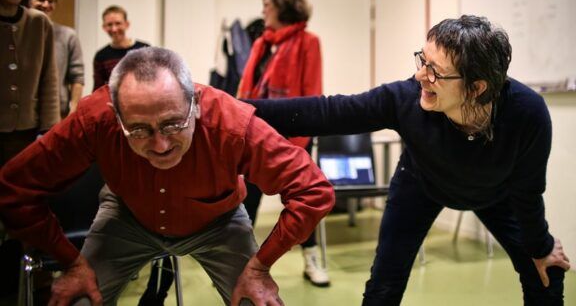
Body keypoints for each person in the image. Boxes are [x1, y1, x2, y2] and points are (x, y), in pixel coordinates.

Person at [245, 15, 572, 305]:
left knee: (546, 272)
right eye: (422, 60)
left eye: (435, 72)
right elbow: (326, 112)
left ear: (476, 88)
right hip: (420, 184)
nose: (419, 76)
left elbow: (528, 192)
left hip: (494, 194)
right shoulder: (406, 99)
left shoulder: (527, 114)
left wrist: (541, 246)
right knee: (384, 287)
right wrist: (230, 109)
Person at [0, 46, 334, 306]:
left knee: (257, 300)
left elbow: (313, 189)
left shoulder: (231, 124)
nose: (160, 145)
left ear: (196, 104)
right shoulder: (93, 120)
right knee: (78, 301)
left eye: (173, 124)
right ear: (115, 115)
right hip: (127, 216)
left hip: (219, 222)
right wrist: (69, 260)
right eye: (139, 130)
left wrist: (261, 265)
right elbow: (14, 186)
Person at [237, 0, 328, 287]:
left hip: (293, 138)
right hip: (255, 135)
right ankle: (241, 264)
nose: (263, 10)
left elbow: (312, 93)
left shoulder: (308, 42)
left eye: (267, 5)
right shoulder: (262, 43)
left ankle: (311, 259)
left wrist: (298, 142)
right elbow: (246, 89)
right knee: (246, 202)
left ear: (283, 8)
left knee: (300, 202)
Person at [0, 0, 59, 301]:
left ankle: (38, 287)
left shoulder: (39, 24)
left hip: (25, 138)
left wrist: (48, 132)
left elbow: (50, 79)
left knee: (31, 213)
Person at [29, 0, 85, 119]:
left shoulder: (68, 35)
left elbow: (77, 77)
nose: (46, 5)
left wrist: (74, 110)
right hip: (24, 114)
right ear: (28, 1)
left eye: (51, 1)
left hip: (57, 113)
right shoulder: (18, 34)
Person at [92, 5, 149, 91]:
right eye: (109, 24)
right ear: (104, 27)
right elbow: (98, 90)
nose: (114, 29)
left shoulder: (144, 49)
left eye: (118, 23)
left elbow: (153, 81)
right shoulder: (101, 56)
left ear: (127, 24)